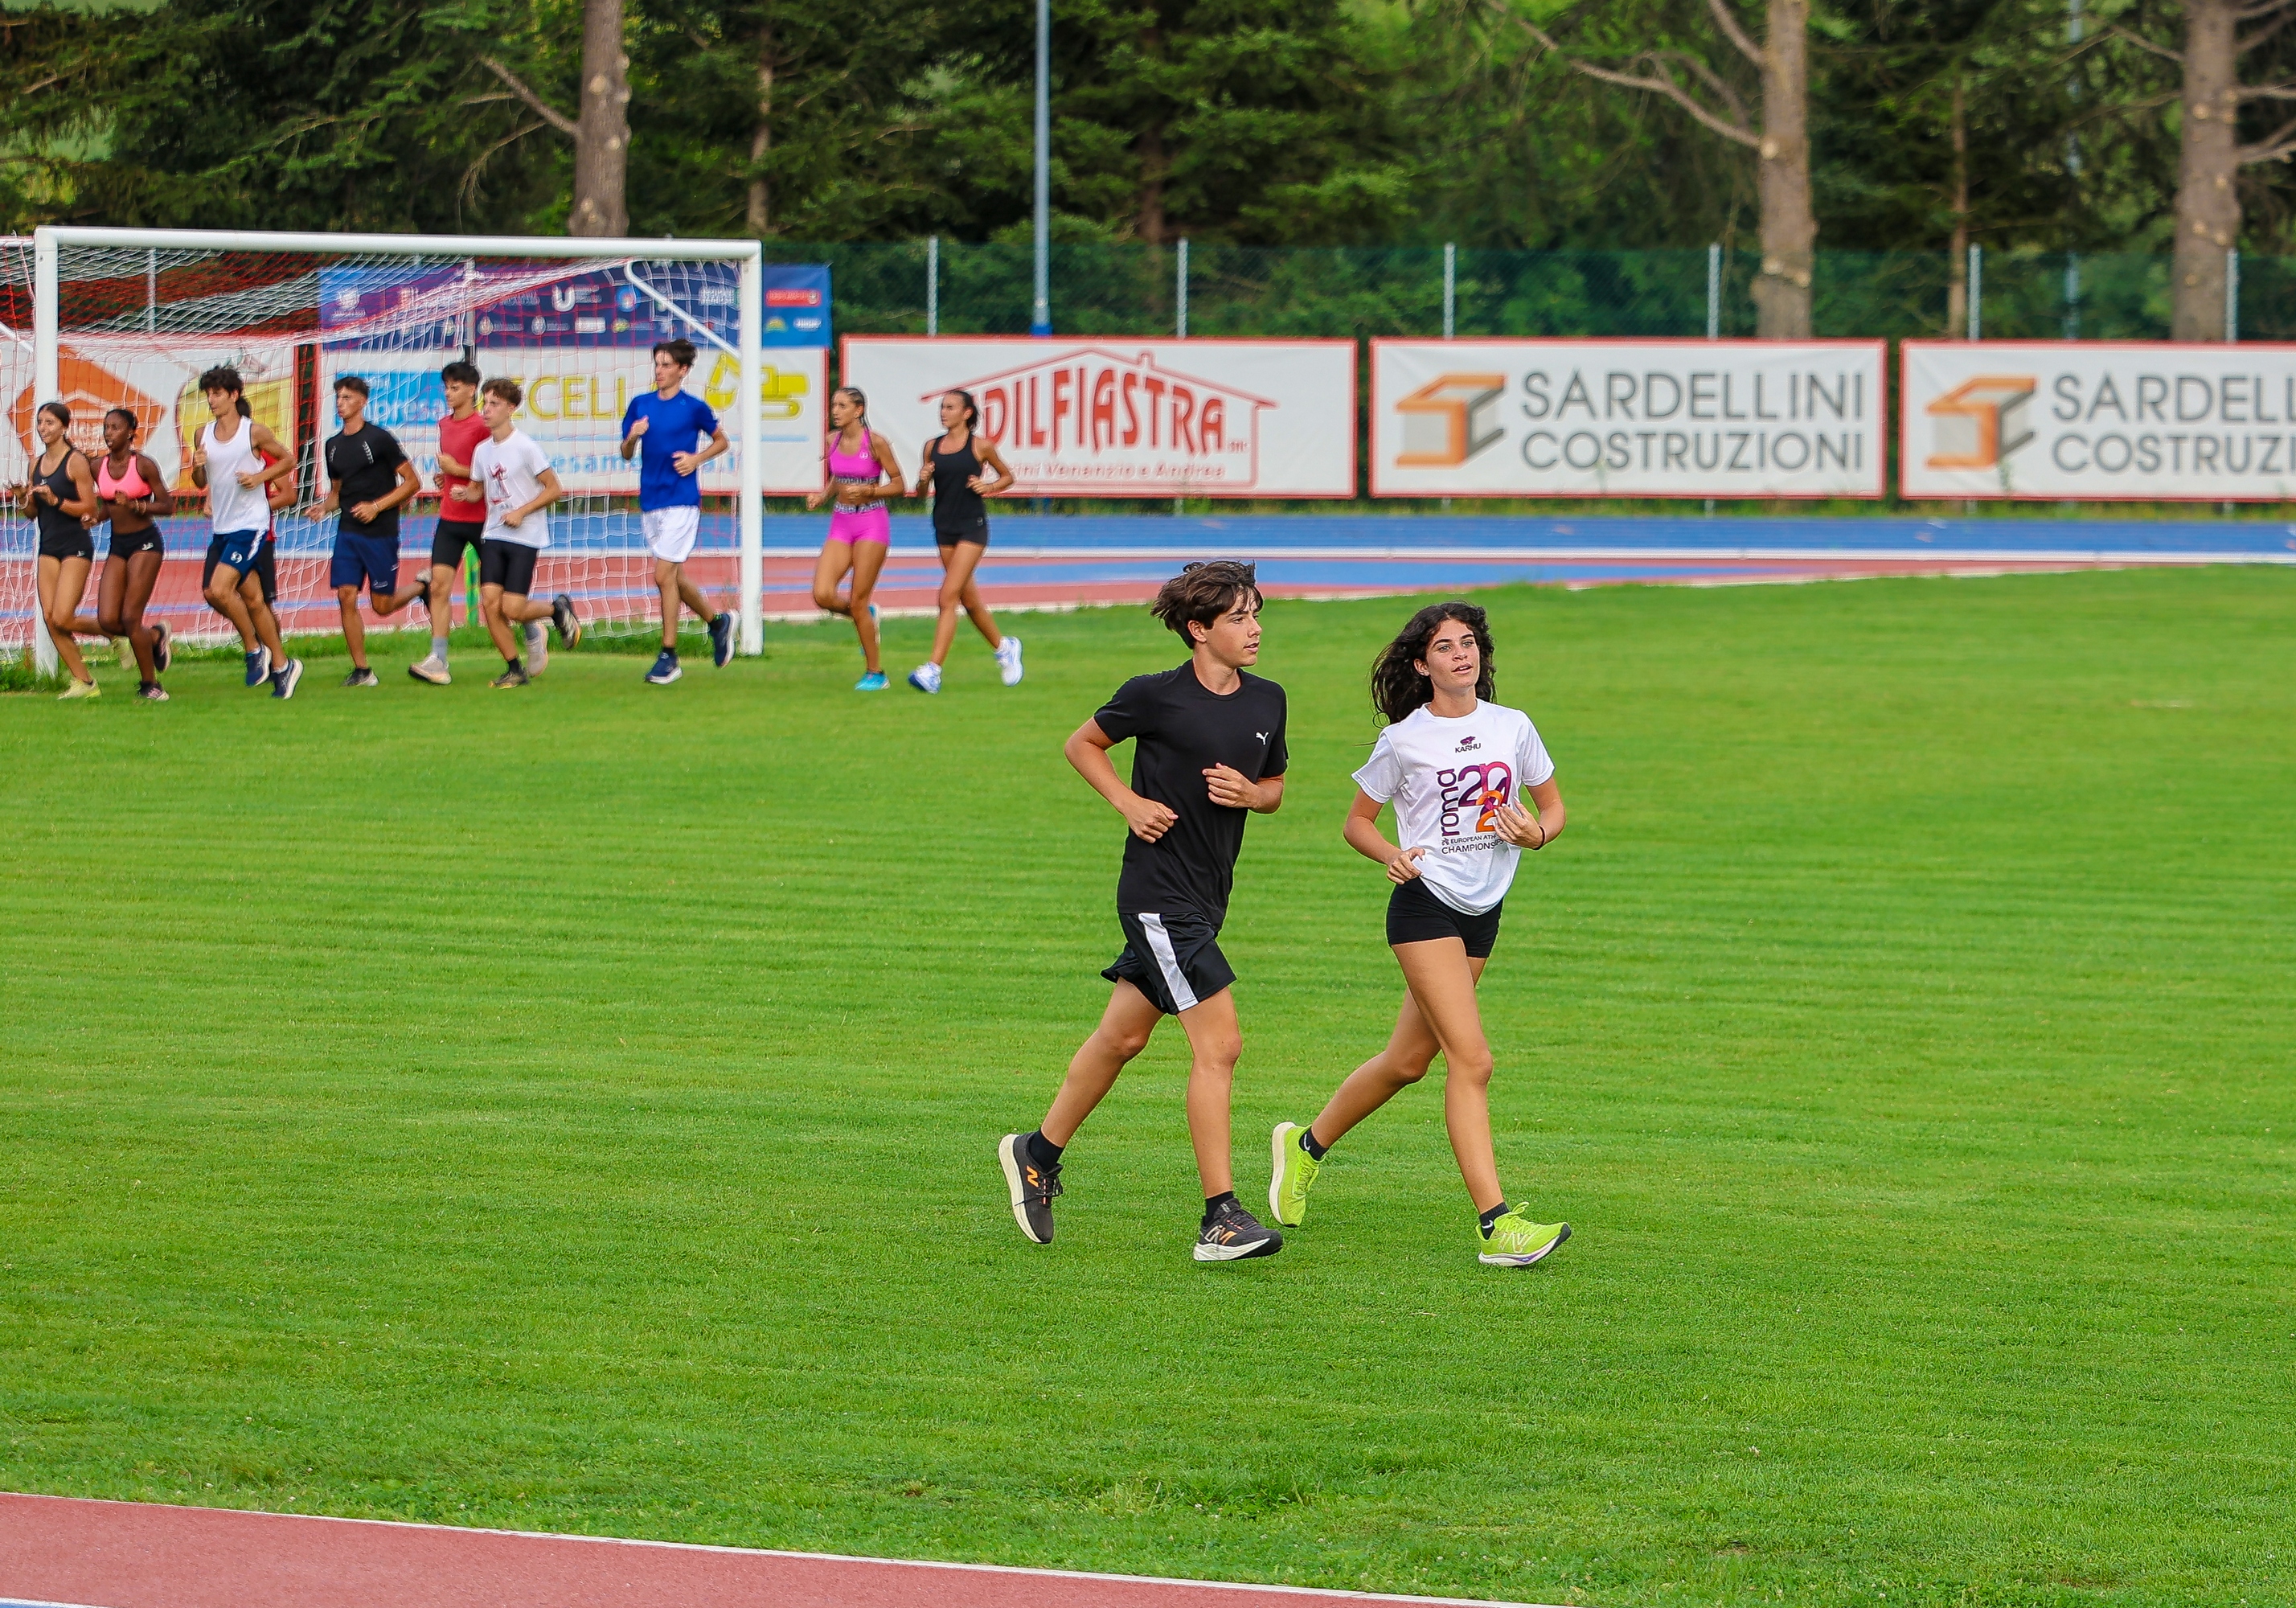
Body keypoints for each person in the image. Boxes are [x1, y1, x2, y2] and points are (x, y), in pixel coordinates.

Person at [1266, 603, 1571, 1269]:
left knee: (1407, 1062)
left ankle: (1304, 1147)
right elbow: (1357, 822)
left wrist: (1538, 834)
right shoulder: (1405, 741)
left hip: (1483, 911)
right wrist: (1390, 855)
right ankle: (1497, 1227)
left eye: (1469, 643)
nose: (1461, 654)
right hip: (1424, 907)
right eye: (1445, 647)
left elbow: (1553, 807)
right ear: (1422, 664)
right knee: (1473, 1060)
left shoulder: (1513, 727)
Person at [999, 560, 1288, 1262]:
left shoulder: (1268, 700)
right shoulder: (1154, 696)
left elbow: (1275, 787)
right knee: (1220, 1046)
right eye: (1239, 618)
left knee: (1123, 1038)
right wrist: (1127, 803)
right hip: (1158, 898)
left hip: (1207, 898)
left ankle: (1037, 1153)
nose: (1254, 628)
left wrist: (1253, 796)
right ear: (1198, 629)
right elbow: (1082, 744)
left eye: (1256, 614)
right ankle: (1220, 1218)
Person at [618, 337, 736, 686]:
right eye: (657, 364)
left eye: (667, 365)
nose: (660, 370)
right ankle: (718, 623)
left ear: (683, 370)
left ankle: (669, 655)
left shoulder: (693, 407)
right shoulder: (640, 404)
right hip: (651, 501)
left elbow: (722, 441)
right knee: (673, 577)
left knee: (662, 576)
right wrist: (633, 436)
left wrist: (696, 459)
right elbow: (625, 452)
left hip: (682, 501)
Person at [191, 367, 302, 699]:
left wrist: (259, 478)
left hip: (251, 526)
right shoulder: (202, 434)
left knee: (220, 588)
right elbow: (200, 482)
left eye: (217, 394)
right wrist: (197, 465)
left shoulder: (253, 432)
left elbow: (288, 460)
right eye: (208, 394)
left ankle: (254, 649)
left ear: (234, 395)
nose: (212, 400)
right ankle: (283, 666)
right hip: (222, 527)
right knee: (249, 599)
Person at [310, 375, 427, 687]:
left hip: (380, 533)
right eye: (338, 397)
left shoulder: (379, 439)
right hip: (347, 532)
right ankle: (362, 670)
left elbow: (413, 483)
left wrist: (376, 506)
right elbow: (337, 493)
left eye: (347, 397)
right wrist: (323, 508)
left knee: (382, 606)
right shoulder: (332, 446)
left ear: (363, 402)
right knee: (346, 595)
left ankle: (421, 587)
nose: (341, 403)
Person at [464, 376, 579, 688]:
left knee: (512, 608)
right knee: (490, 604)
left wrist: (521, 512)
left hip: (525, 535)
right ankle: (514, 668)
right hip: (494, 534)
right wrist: (465, 494)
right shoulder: (482, 451)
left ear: (511, 408)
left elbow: (554, 489)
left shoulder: (526, 447)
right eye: (485, 403)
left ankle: (556, 609)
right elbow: (477, 490)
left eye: (494, 404)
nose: (487, 410)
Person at [909, 389, 1022, 694]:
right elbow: (920, 494)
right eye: (942, 408)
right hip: (943, 527)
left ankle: (933, 670)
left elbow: (1007, 476)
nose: (943, 412)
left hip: (972, 528)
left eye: (950, 407)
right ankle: (1004, 648)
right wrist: (922, 480)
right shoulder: (932, 447)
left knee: (947, 596)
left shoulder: (980, 446)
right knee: (968, 600)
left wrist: (989, 487)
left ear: (967, 413)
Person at [806, 385, 905, 690]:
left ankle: (876, 673)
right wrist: (823, 496)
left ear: (858, 410)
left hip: (871, 523)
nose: (835, 411)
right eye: (834, 405)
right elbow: (840, 476)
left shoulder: (875, 442)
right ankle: (866, 618)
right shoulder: (832, 441)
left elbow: (899, 484)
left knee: (857, 599)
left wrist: (870, 491)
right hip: (841, 521)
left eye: (842, 406)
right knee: (822, 594)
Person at [14, 401, 104, 698]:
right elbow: (32, 513)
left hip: (75, 545)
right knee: (51, 618)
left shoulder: (75, 461)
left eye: (50, 422)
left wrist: (57, 501)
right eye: (40, 422)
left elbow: (90, 508)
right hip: (48, 547)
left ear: (64, 427)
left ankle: (115, 632)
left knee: (63, 617)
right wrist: (23, 498)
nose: (43, 428)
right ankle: (85, 683)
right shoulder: (35, 464)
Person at [408, 360, 487, 686]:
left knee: (498, 595)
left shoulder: (483, 426)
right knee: (439, 586)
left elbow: (492, 471)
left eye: (455, 388)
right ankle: (438, 658)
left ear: (471, 390)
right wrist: (446, 477)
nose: (448, 393)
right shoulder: (444, 424)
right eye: (446, 387)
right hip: (450, 517)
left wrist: (457, 470)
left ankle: (532, 628)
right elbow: (455, 468)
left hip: (483, 519)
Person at [92, 407, 176, 702]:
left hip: (145, 544)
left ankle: (150, 684)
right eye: (106, 427)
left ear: (130, 433)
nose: (108, 433)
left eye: (115, 427)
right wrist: (94, 518)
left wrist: (138, 506)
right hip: (118, 545)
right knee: (107, 620)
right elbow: (107, 506)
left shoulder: (143, 465)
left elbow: (168, 505)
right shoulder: (97, 466)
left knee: (130, 617)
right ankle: (154, 636)